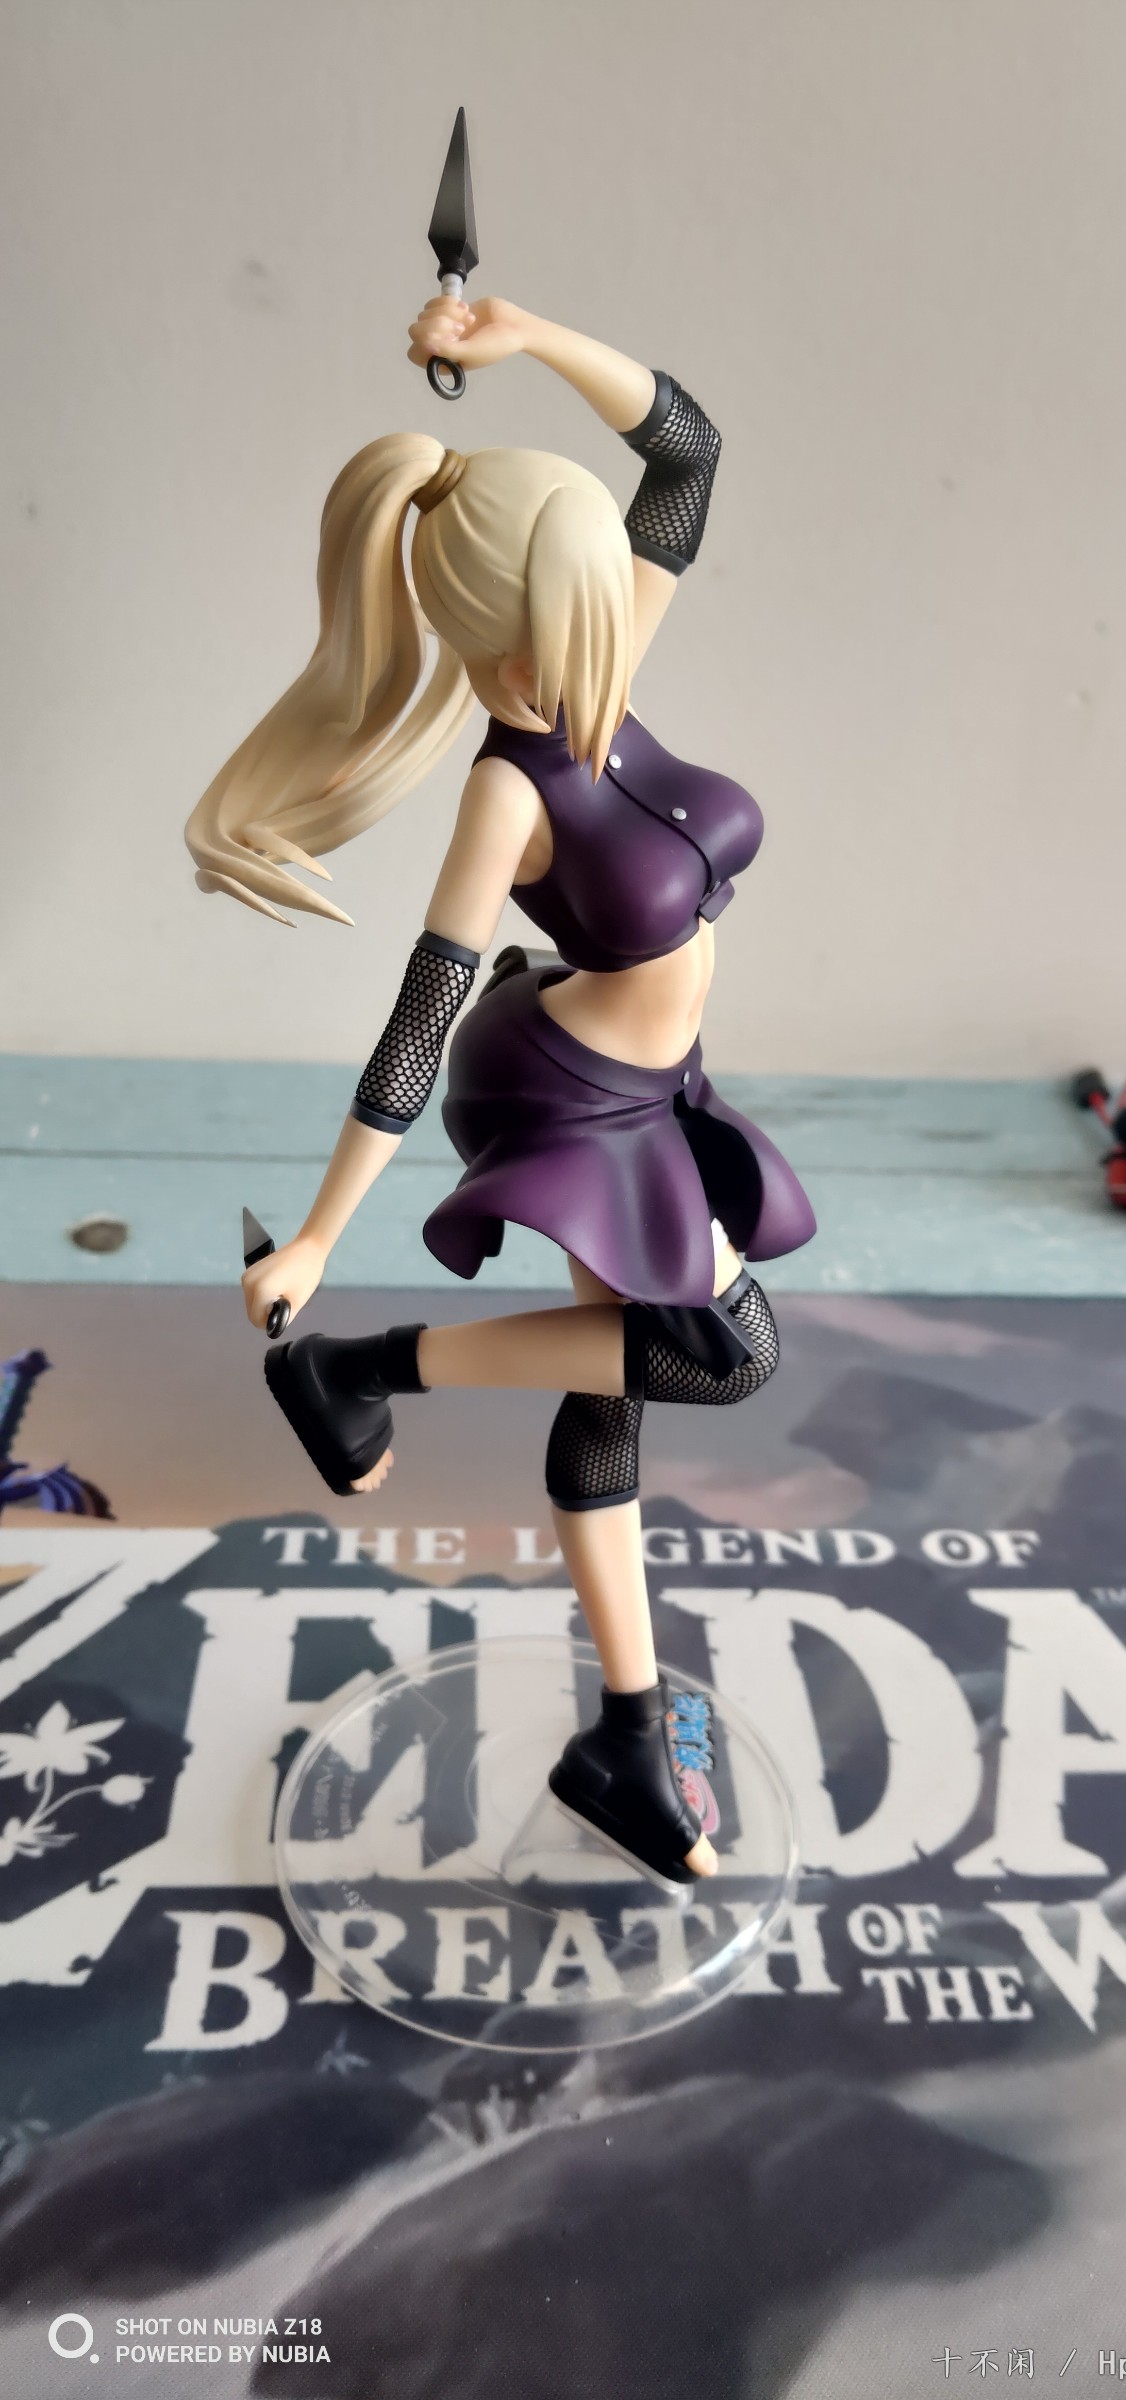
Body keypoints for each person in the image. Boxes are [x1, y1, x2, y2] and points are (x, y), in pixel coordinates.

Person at [185, 294, 816, 1888]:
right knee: (728, 1351)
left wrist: (523, 331)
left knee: (613, 1393)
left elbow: (688, 452)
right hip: (568, 1098)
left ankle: (625, 1733)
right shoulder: (506, 792)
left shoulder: (598, 660)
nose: (622, 611)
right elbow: (419, 1016)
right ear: (515, 635)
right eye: (586, 596)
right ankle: (360, 1365)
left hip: (654, 1079)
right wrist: (321, 1234)